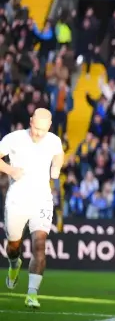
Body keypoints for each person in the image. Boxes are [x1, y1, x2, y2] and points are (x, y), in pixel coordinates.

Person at [0, 109, 65, 308]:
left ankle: (32, 294)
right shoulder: (14, 139)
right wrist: (11, 170)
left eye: (42, 130)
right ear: (30, 122)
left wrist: (56, 168)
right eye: (35, 128)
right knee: (13, 246)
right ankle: (14, 264)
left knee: (39, 244)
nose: (38, 133)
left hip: (42, 199)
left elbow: (59, 154)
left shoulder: (53, 140)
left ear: (49, 127)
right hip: (18, 199)